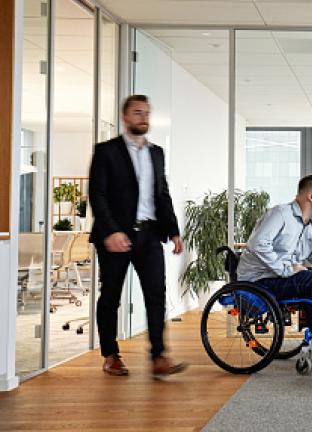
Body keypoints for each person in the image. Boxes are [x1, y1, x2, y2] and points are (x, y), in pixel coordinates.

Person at [88, 94, 187, 378]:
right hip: (115, 237)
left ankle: (158, 356)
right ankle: (110, 355)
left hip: (149, 235)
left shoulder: (156, 152)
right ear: (125, 117)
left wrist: (173, 230)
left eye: (146, 113)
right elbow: (98, 194)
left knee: (156, 295)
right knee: (111, 297)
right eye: (137, 113)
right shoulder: (107, 151)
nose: (143, 118)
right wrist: (110, 232)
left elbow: (162, 193)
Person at [237, 175, 312, 361]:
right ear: (311, 196)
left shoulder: (310, 226)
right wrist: (286, 269)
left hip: (282, 277)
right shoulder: (280, 214)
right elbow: (257, 244)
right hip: (259, 280)